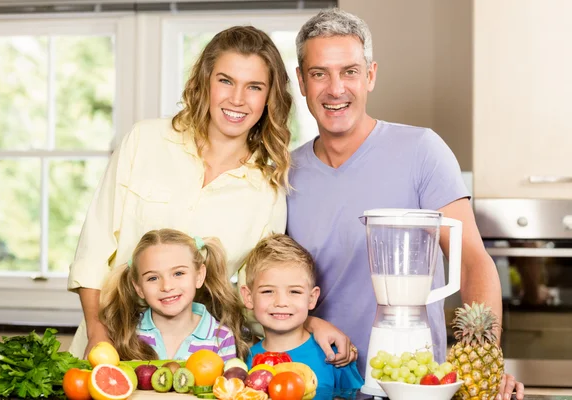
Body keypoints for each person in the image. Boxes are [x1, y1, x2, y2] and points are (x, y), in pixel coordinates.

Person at [286, 8, 525, 399]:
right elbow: (273, 284)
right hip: (314, 383)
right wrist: (311, 323)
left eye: (349, 71)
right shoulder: (287, 172)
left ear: (371, 75)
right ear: (301, 81)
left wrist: (486, 361)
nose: (335, 89)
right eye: (319, 74)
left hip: (413, 386)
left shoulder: (421, 150)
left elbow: (470, 261)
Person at [67, 25, 292, 358]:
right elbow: (94, 247)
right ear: (205, 80)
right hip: (107, 343)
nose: (237, 99)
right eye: (226, 80)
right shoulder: (145, 140)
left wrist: (310, 324)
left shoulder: (268, 191)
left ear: (269, 97)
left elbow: (258, 294)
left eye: (254, 87)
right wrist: (98, 333)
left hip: (198, 361)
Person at [99, 228, 247, 360]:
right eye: (153, 278)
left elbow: (226, 387)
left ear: (199, 276)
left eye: (178, 273)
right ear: (138, 287)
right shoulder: (127, 333)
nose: (167, 286)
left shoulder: (220, 337)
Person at [240, 234, 363, 391]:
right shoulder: (244, 361)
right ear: (249, 297)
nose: (281, 302)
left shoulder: (334, 355)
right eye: (268, 291)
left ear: (312, 298)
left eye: (294, 292)